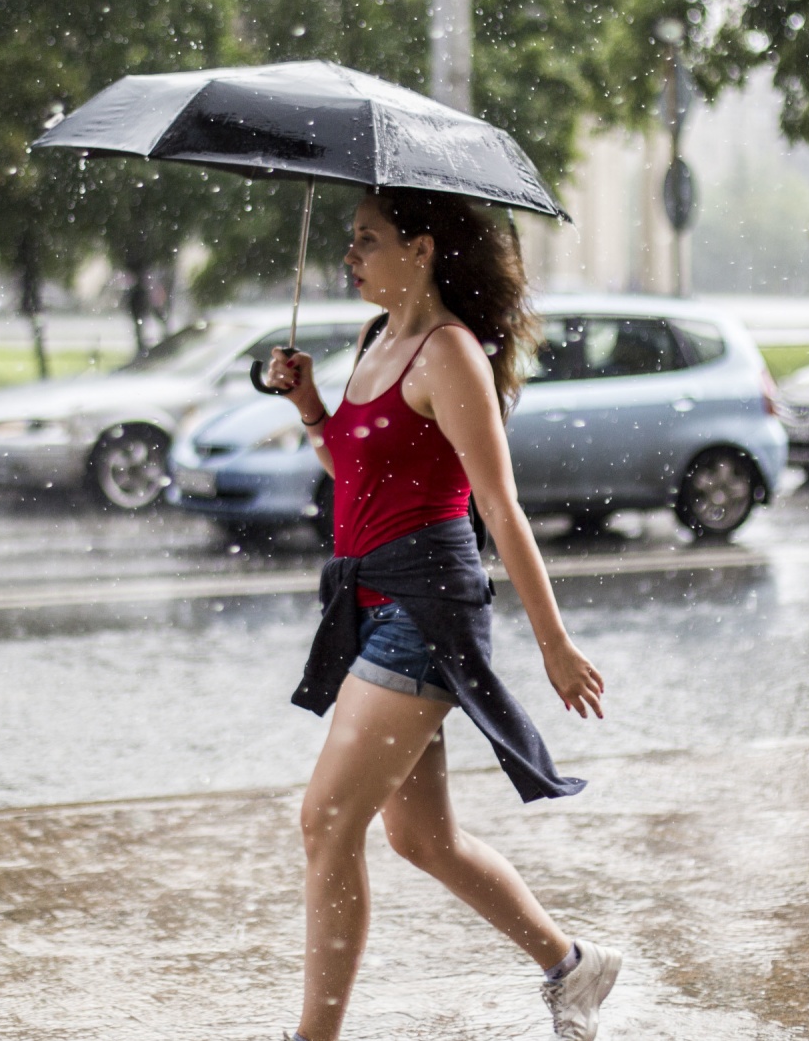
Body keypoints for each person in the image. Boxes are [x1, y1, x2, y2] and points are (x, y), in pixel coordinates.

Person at [263, 188, 621, 1041]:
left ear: (419, 249)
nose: (350, 257)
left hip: (425, 606)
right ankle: (575, 965)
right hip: (368, 601)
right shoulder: (373, 339)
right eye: (349, 242)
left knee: (327, 818)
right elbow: (354, 464)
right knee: (422, 839)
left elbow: (498, 505)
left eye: (368, 241)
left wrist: (554, 641)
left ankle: (313, 1038)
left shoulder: (448, 352)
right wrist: (312, 403)